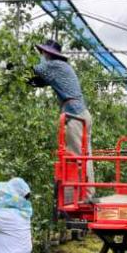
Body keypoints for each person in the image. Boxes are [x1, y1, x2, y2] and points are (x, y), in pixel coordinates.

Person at [29, 39, 94, 200]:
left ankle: (78, 197)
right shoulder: (60, 68)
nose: (41, 54)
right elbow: (40, 80)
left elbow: (38, 68)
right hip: (81, 114)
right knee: (84, 156)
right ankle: (87, 194)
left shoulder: (55, 65)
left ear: (48, 53)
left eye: (43, 52)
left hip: (75, 115)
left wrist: (11, 66)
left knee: (75, 157)